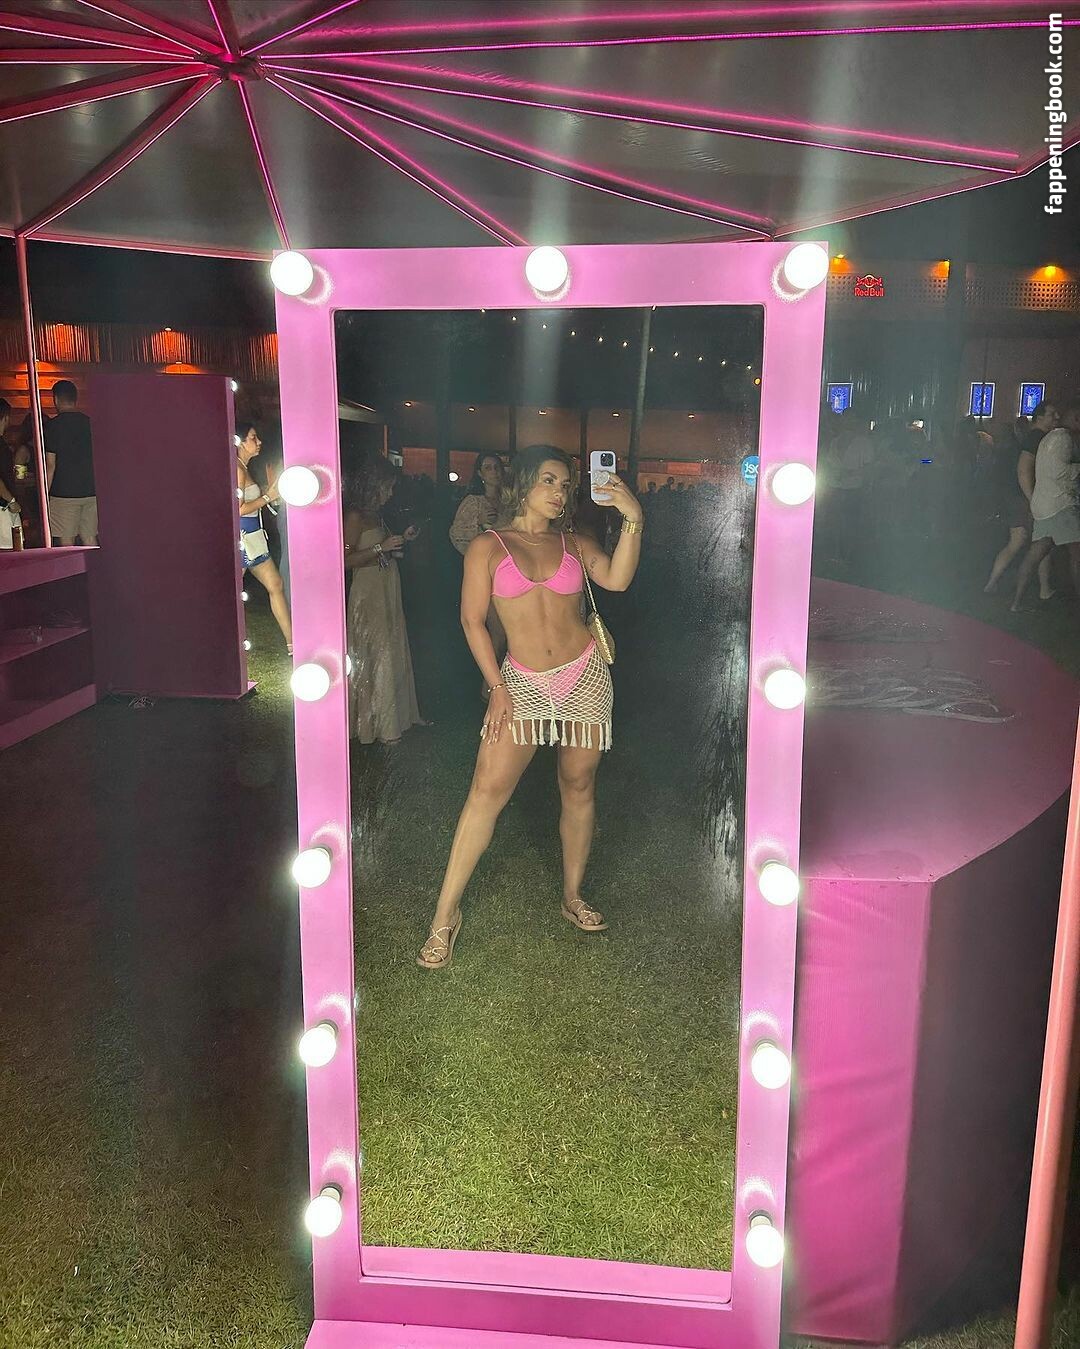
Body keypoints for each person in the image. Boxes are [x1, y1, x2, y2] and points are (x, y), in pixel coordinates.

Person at [417, 444, 643, 970]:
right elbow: (472, 620)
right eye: (549, 480)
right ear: (523, 483)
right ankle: (444, 917)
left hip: (585, 677)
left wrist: (633, 517)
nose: (559, 492)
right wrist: (496, 686)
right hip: (520, 684)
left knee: (579, 785)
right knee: (486, 792)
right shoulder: (488, 546)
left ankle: (572, 896)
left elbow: (617, 579)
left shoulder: (575, 543)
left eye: (565, 485)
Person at [344, 452, 424, 745]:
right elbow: (344, 560)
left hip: (386, 583)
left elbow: (379, 549)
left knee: (391, 647)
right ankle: (376, 725)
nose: (390, 493)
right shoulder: (355, 516)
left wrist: (400, 540)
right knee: (376, 651)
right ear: (373, 485)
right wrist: (381, 548)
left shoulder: (376, 515)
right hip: (368, 591)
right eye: (387, 487)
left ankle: (396, 717)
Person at [1011, 399, 1080, 611]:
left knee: (1034, 556)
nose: (1056, 417)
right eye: (1052, 414)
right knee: (1077, 554)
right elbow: (1057, 471)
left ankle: (1016, 602)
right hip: (1060, 505)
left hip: (1043, 505)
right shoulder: (1062, 439)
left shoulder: (1048, 438)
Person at [984, 402, 1059, 598]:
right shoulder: (1037, 439)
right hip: (1023, 498)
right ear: (1039, 417)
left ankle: (1042, 588)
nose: (1056, 417)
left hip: (1017, 496)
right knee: (1032, 542)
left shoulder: (1030, 438)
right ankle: (1026, 589)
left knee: (1034, 542)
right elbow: (1023, 471)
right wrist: (1032, 499)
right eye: (1051, 414)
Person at [450, 453, 511, 677]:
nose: (494, 471)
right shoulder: (474, 502)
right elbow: (458, 536)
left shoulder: (510, 501)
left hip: (511, 569)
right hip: (489, 574)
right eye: (488, 468)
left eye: (496, 467)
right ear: (480, 474)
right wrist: (481, 526)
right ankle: (490, 685)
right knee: (498, 633)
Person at [235, 421, 293, 653]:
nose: (258, 442)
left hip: (254, 537)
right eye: (253, 438)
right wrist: (268, 496)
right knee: (232, 592)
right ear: (239, 442)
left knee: (275, 584)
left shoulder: (244, 468)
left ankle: (292, 642)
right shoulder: (237, 470)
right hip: (243, 539)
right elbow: (238, 509)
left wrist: (269, 496)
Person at [44, 380, 97, 546]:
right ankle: (96, 564)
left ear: (56, 399)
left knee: (67, 542)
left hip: (63, 494)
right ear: (75, 399)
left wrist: (44, 494)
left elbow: (50, 465)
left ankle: (73, 566)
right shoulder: (90, 423)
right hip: (91, 491)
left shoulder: (52, 426)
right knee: (90, 537)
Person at [0, 399, 22, 549]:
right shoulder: (1, 446)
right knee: (9, 549)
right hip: (3, 506)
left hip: (4, 503)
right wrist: (11, 500)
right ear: (6, 418)